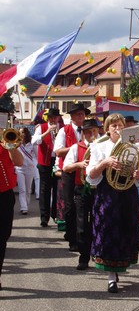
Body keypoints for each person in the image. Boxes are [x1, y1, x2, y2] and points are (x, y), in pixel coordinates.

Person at [86, 113, 139, 293]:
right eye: (114, 126)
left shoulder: (132, 147)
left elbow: (136, 172)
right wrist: (105, 162)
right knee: (108, 231)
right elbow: (91, 176)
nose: (118, 129)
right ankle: (111, 277)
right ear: (107, 129)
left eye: (120, 126)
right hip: (107, 194)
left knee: (126, 230)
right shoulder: (99, 147)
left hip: (127, 194)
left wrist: (137, 175)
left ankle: (119, 267)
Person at [63, 119, 99, 270]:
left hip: (99, 189)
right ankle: (83, 256)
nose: (92, 134)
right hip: (82, 188)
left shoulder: (101, 146)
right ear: (84, 133)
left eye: (95, 131)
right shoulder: (76, 148)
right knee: (82, 224)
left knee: (99, 222)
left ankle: (99, 254)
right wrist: (79, 164)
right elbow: (66, 167)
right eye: (89, 132)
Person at [54, 103, 90, 251]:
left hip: (86, 172)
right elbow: (57, 152)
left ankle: (85, 237)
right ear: (72, 117)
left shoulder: (89, 131)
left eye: (82, 114)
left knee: (85, 205)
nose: (81, 117)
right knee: (70, 206)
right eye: (78, 115)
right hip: (69, 172)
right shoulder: (64, 131)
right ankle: (72, 238)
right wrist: (77, 147)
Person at [0, 110, 24, 290]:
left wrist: (11, 146)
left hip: (5, 195)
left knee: (3, 237)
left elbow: (19, 162)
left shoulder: (7, 141)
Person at [31, 108, 62, 226]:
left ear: (58, 118)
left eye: (55, 117)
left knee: (57, 189)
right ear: (48, 118)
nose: (53, 120)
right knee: (45, 190)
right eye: (51, 118)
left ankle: (55, 214)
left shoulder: (63, 127)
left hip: (58, 160)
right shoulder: (41, 127)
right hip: (45, 162)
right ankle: (44, 217)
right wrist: (47, 132)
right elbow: (34, 141)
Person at [15, 127, 35, 214]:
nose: (22, 134)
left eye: (23, 132)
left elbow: (35, 156)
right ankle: (24, 208)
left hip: (29, 169)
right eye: (20, 133)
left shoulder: (31, 144)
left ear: (26, 134)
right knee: (22, 189)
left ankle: (26, 204)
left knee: (28, 189)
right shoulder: (16, 145)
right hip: (19, 169)